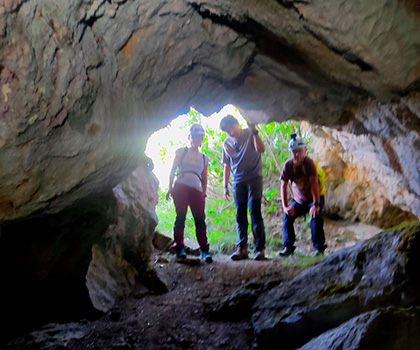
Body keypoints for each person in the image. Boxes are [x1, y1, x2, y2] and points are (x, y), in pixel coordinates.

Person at [220, 115, 266, 261]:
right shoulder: (226, 143)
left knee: (255, 212)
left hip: (254, 178)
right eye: (226, 130)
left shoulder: (249, 133)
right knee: (240, 215)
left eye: (231, 127)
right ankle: (242, 248)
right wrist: (225, 185)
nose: (229, 131)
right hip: (237, 182)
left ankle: (259, 249)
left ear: (236, 124)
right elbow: (226, 165)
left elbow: (261, 149)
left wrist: (254, 132)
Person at [166, 124, 212, 263]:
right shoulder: (181, 152)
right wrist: (170, 187)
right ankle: (179, 248)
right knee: (181, 217)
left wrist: (203, 193)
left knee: (200, 220)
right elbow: (173, 170)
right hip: (181, 186)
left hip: (196, 189)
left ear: (201, 139)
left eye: (199, 137)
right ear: (189, 137)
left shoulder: (204, 158)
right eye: (194, 137)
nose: (196, 140)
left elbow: (204, 178)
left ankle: (204, 249)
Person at [278, 133, 327, 257]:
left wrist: (316, 204)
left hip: (314, 198)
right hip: (299, 201)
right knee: (287, 216)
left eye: (299, 151)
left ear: (304, 151)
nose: (297, 154)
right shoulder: (288, 166)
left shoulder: (309, 164)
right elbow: (283, 186)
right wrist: (285, 207)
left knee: (315, 215)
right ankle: (288, 247)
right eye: (294, 151)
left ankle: (319, 248)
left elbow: (314, 184)